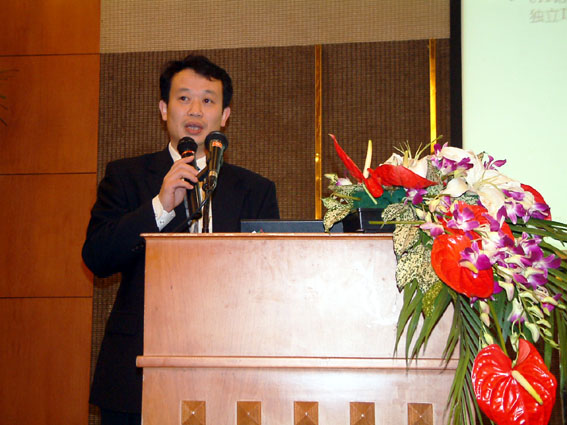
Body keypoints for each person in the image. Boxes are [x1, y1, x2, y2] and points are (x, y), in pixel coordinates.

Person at [82, 55, 280, 424]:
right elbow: (97, 256)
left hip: (231, 367)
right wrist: (159, 205)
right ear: (163, 108)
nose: (195, 110)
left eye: (208, 100)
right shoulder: (126, 176)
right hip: (137, 372)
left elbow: (272, 282)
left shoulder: (254, 190)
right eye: (184, 98)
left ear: (224, 116)